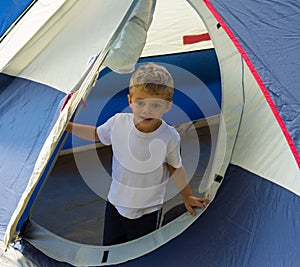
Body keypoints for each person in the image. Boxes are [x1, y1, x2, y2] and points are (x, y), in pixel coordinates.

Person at [66, 63, 210, 245]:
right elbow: (96, 134)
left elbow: (175, 167)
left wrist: (187, 195)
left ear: (167, 107)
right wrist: (68, 126)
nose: (146, 110)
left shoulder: (169, 137)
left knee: (141, 251)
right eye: (140, 102)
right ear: (130, 101)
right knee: (111, 248)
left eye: (155, 105)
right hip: (116, 204)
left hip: (148, 210)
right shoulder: (118, 123)